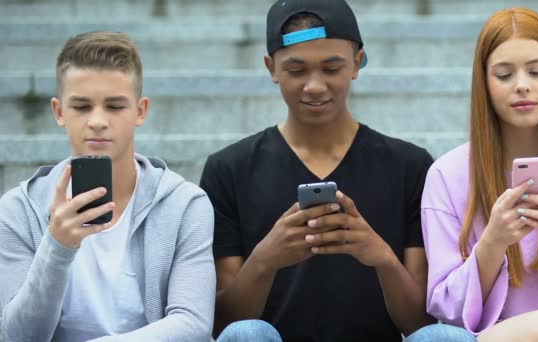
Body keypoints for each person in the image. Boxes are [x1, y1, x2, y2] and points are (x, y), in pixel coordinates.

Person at [201, 0, 434, 340]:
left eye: (331, 68)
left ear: (358, 62)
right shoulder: (229, 169)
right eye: (297, 71)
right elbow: (224, 326)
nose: (314, 86)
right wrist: (265, 259)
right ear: (271, 68)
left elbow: (421, 324)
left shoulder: (410, 166)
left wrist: (381, 257)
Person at [0, 31, 216, 341]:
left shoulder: (184, 204)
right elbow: (19, 337)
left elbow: (192, 323)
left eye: (114, 106)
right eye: (82, 107)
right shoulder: (19, 209)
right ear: (59, 112)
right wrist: (57, 246)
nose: (98, 121)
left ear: (140, 111)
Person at [412, 7, 538, 342]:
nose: (521, 86)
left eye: (536, 72)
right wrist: (493, 241)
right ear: (484, 83)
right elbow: (444, 310)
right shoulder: (446, 174)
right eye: (503, 75)